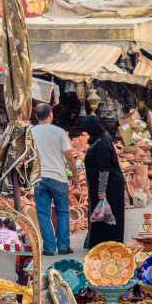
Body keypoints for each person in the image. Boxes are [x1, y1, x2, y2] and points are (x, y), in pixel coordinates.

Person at [30, 102, 78, 256]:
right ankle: (64, 247)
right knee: (62, 212)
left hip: (39, 179)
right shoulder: (59, 132)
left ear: (36, 116)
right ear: (51, 114)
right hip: (58, 177)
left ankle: (49, 248)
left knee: (43, 213)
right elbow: (69, 157)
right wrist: (75, 175)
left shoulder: (29, 132)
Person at [83, 115, 125, 246]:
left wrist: (101, 191)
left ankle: (107, 243)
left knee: (107, 214)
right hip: (103, 184)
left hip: (109, 186)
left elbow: (104, 168)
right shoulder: (99, 139)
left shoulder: (101, 143)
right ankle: (100, 242)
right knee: (101, 214)